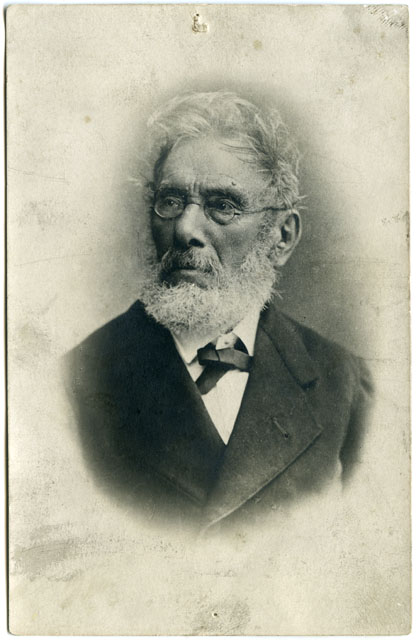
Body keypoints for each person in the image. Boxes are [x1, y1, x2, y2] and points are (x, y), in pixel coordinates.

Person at [65, 91, 373, 533]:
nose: (185, 229)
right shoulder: (76, 382)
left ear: (282, 237)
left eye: (222, 206)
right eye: (171, 201)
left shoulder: (346, 386)